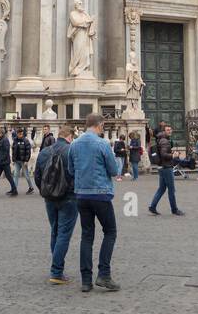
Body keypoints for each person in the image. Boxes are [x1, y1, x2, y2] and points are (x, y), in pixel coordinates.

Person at [68, 113, 121, 292]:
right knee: (110, 232)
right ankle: (104, 275)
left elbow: (70, 169)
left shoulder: (74, 144)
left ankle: (86, 280)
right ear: (100, 125)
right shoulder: (102, 144)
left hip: (81, 195)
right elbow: (114, 170)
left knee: (87, 236)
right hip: (100, 194)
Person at [37, 123, 76, 284]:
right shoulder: (71, 151)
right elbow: (76, 175)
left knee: (55, 231)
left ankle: (56, 268)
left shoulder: (45, 152)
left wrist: (45, 191)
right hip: (68, 198)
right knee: (64, 234)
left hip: (49, 198)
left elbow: (37, 175)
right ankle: (56, 271)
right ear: (70, 137)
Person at [149, 123, 186, 216]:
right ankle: (174, 209)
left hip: (162, 167)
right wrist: (173, 155)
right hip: (166, 167)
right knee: (171, 190)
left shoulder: (161, 140)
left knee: (161, 189)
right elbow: (164, 154)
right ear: (164, 131)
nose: (170, 131)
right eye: (167, 130)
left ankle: (152, 207)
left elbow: (163, 153)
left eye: (170, 129)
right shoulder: (165, 141)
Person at [12, 127, 36, 194]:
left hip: (23, 161)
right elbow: (13, 150)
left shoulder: (26, 141)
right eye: (19, 134)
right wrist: (13, 160)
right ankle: (14, 189)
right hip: (17, 161)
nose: (20, 135)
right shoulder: (15, 140)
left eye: (21, 134)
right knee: (15, 175)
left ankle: (31, 187)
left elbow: (28, 152)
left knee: (26, 175)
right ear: (17, 134)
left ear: (22, 134)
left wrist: (26, 160)